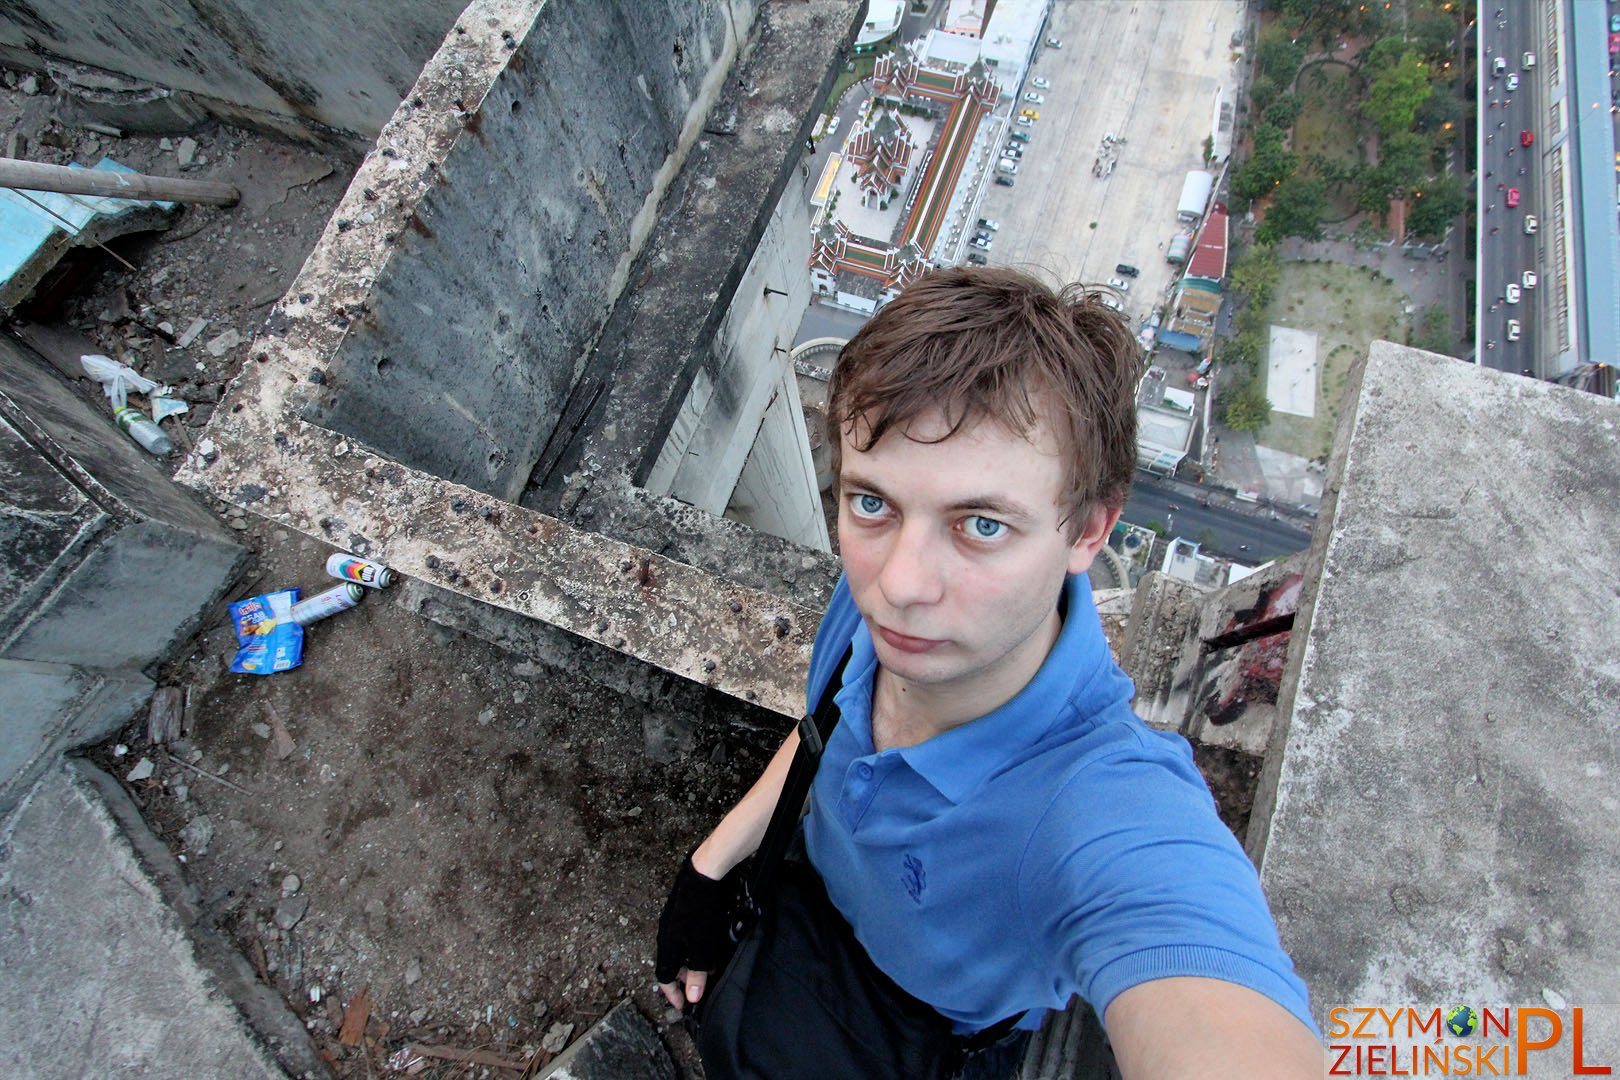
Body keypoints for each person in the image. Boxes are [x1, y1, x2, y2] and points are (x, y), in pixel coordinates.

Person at [656, 268, 1321, 1078]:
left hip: (927, 1038)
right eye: (873, 503)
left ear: (1088, 531)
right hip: (806, 920)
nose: (898, 584)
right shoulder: (888, 610)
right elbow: (829, 723)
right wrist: (713, 863)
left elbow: (1192, 966)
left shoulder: (1095, 806)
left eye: (979, 524)